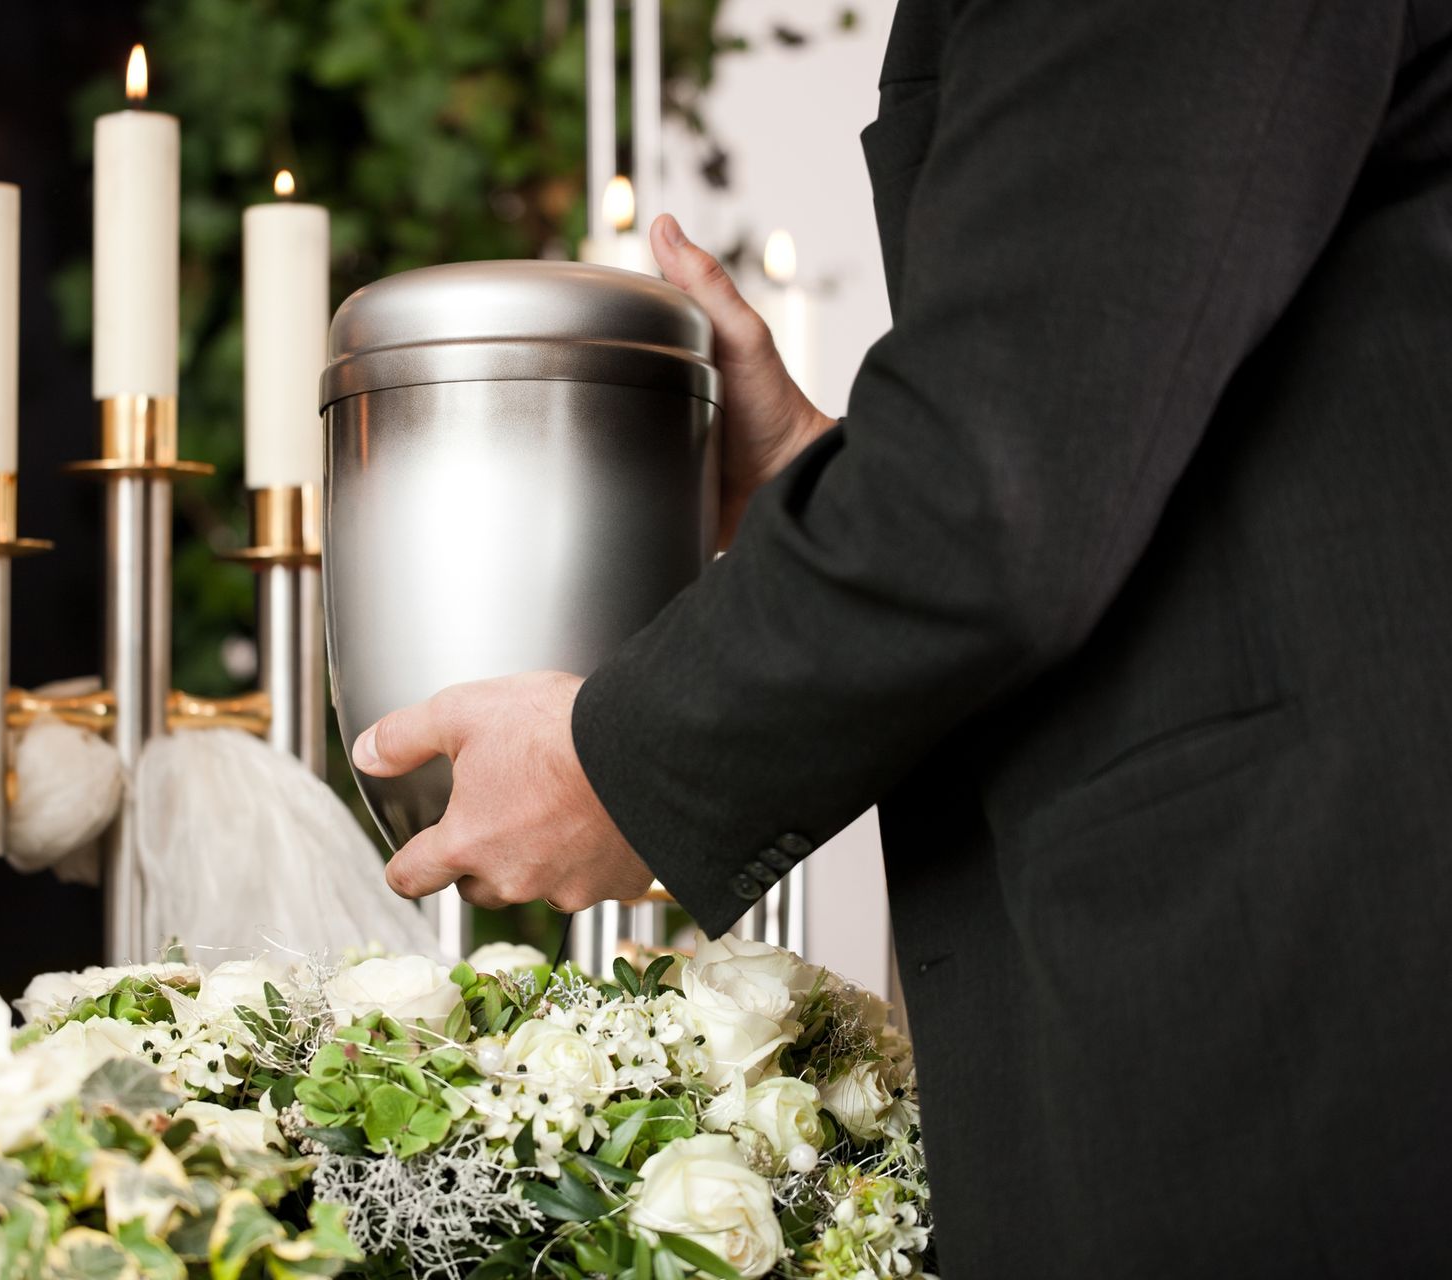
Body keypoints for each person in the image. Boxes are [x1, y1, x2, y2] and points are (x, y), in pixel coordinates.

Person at [348, 0, 1452, 1273]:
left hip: (1303, 956)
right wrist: (821, 478)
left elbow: (997, 485)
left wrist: (616, 755)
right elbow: (1092, 406)